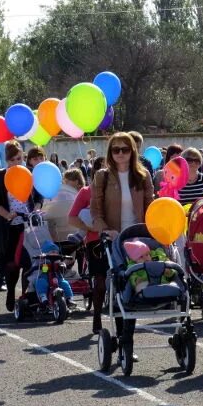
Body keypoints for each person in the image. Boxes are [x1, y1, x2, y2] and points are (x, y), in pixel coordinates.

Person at [85, 132, 154, 344]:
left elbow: (150, 206)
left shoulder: (143, 175)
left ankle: (127, 338)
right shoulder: (102, 177)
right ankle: (122, 336)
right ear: (110, 153)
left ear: (132, 151)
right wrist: (105, 230)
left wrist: (153, 229)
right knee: (117, 283)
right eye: (116, 150)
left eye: (125, 149)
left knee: (134, 283)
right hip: (113, 237)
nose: (120, 153)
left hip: (136, 237)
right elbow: (95, 210)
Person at [0, 141, 40, 311]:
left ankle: (26, 296)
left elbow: (38, 197)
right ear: (6, 160)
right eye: (12, 160)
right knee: (12, 265)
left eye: (19, 158)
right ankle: (11, 290)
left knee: (29, 262)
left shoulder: (29, 174)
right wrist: (7, 214)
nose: (16, 163)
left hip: (28, 225)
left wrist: (36, 210)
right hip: (9, 226)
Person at [42, 168, 84, 242]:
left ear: (76, 182)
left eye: (67, 181)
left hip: (72, 231)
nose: (64, 183)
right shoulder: (64, 194)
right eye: (64, 181)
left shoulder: (81, 193)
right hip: (65, 231)